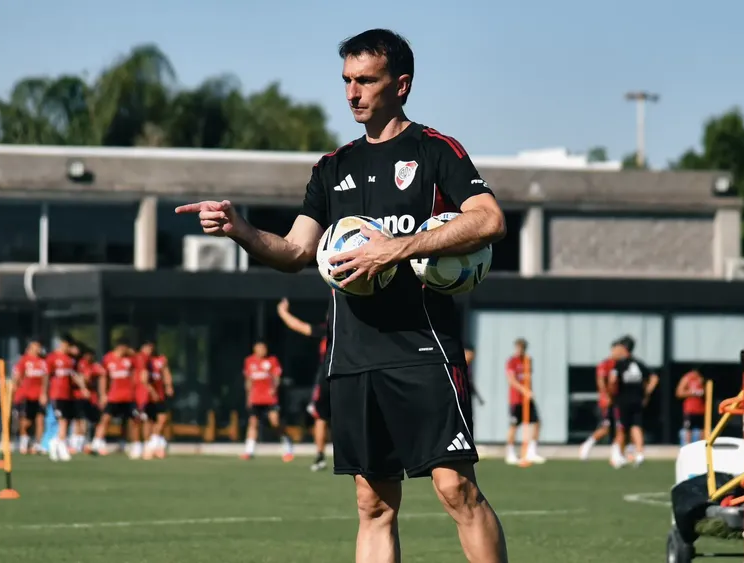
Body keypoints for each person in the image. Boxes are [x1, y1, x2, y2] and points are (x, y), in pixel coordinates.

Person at [176, 28, 508, 563]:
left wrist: (395, 249)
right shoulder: (332, 168)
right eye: (347, 81)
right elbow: (294, 252)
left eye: (366, 81)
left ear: (401, 85)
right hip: (354, 357)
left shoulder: (435, 151)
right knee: (372, 504)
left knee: (456, 489)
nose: (353, 93)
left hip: (423, 349)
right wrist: (239, 229)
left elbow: (489, 221)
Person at [276, 297, 333, 471]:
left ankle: (320, 456)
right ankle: (327, 456)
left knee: (320, 417)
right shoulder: (337, 332)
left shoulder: (327, 331)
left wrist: (282, 312)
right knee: (326, 416)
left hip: (328, 375)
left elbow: (298, 326)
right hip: (342, 376)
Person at [607, 335, 658, 468]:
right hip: (637, 400)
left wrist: (611, 394)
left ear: (623, 348)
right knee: (636, 426)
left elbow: (612, 380)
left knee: (621, 428)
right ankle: (639, 454)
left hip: (623, 400)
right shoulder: (638, 363)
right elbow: (654, 378)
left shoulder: (620, 364)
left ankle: (618, 456)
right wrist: (646, 392)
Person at [241, 341, 294, 462]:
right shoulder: (249, 361)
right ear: (255, 349)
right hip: (256, 398)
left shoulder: (272, 360)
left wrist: (273, 389)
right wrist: (248, 397)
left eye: (264, 348)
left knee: (275, 422)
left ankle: (287, 446)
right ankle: (249, 451)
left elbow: (276, 377)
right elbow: (248, 380)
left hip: (269, 398)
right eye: (259, 348)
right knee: (253, 422)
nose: (262, 350)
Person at [91, 338, 143, 458]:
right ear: (119, 347)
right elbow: (103, 377)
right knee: (105, 419)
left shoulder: (130, 359)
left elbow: (140, 364)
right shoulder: (108, 359)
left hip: (129, 397)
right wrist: (103, 394)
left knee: (135, 421)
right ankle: (97, 442)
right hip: (113, 397)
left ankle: (136, 445)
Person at [45, 334, 88, 462]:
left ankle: (55, 442)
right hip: (57, 394)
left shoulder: (71, 360)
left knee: (67, 421)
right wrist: (44, 393)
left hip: (68, 395)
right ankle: (62, 447)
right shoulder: (52, 358)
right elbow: (46, 376)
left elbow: (74, 375)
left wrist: (83, 388)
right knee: (63, 421)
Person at [504, 338, 545, 465]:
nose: (520, 350)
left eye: (522, 348)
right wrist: (524, 390)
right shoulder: (512, 362)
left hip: (528, 400)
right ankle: (510, 453)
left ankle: (532, 451)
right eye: (518, 348)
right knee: (514, 426)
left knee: (537, 422)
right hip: (516, 400)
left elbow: (528, 378)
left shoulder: (528, 360)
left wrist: (530, 392)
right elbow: (512, 380)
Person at [579, 349, 618, 460]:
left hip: (618, 401)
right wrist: (606, 396)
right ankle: (587, 445)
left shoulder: (621, 364)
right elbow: (601, 381)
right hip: (608, 401)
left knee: (621, 427)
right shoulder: (606, 364)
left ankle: (618, 453)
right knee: (606, 427)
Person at [138, 340, 174, 460]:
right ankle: (148, 446)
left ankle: (154, 444)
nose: (149, 349)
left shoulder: (160, 359)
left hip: (159, 394)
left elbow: (166, 373)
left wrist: (169, 386)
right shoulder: (142, 359)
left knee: (163, 418)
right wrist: (152, 392)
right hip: (146, 395)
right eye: (147, 347)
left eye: (151, 347)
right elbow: (144, 379)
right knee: (149, 421)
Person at [11, 339, 49, 455]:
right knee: (25, 422)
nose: (38, 349)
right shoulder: (24, 361)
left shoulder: (43, 362)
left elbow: (45, 378)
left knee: (40, 419)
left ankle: (38, 445)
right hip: (25, 396)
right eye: (35, 347)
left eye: (39, 347)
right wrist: (14, 392)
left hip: (38, 396)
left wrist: (44, 393)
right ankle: (24, 442)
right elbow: (17, 377)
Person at [75, 346, 105, 454]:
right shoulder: (80, 364)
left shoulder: (94, 366)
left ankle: (93, 443)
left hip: (92, 398)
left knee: (96, 420)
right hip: (79, 397)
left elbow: (102, 373)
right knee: (80, 420)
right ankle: (79, 444)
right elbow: (81, 377)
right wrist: (83, 386)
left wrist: (102, 395)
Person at [675, 368, 706, 446]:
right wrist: (692, 392)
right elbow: (679, 393)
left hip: (701, 410)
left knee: (702, 430)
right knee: (688, 430)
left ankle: (701, 448)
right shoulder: (687, 378)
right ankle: (687, 447)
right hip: (690, 410)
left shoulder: (702, 379)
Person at [463, 345, 484, 435]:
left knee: (469, 418)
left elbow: (470, 382)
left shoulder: (469, 367)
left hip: (467, 396)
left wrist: (478, 397)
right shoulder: (459, 366)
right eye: (471, 354)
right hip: (460, 396)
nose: (473, 357)